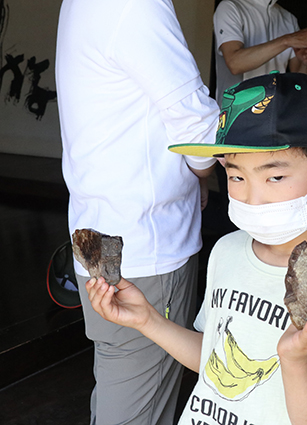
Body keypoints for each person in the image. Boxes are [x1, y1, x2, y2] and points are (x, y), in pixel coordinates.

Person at [86, 72, 307, 425]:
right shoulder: (227, 250)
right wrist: (147, 320)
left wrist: (295, 361)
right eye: (236, 175)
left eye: (274, 177)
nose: (252, 197)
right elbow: (214, 361)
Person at [56, 0, 220, 423]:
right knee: (136, 400)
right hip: (148, 244)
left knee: (117, 379)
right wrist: (203, 175)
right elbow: (199, 129)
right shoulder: (134, 4)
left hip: (98, 231)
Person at [213, 0, 307, 101]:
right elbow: (235, 63)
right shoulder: (230, 7)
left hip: (274, 115)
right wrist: (286, 41)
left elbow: (298, 82)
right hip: (235, 115)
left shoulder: (288, 18)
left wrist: (306, 63)